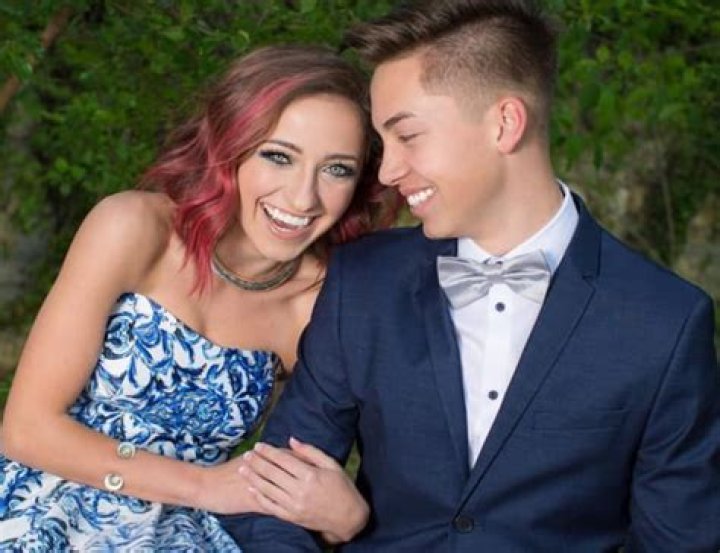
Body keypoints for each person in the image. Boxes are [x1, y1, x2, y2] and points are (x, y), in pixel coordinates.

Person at [221, 1, 720, 551]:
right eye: (383, 145)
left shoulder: (666, 321)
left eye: (408, 136)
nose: (387, 171)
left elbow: (679, 542)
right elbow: (271, 494)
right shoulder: (362, 282)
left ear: (505, 124)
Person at [0, 45, 398, 550]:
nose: (303, 197)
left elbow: (320, 462)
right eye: (278, 156)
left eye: (337, 169)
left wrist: (346, 519)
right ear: (229, 149)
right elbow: (26, 429)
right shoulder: (132, 227)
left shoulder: (323, 303)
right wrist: (205, 485)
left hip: (181, 533)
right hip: (36, 505)